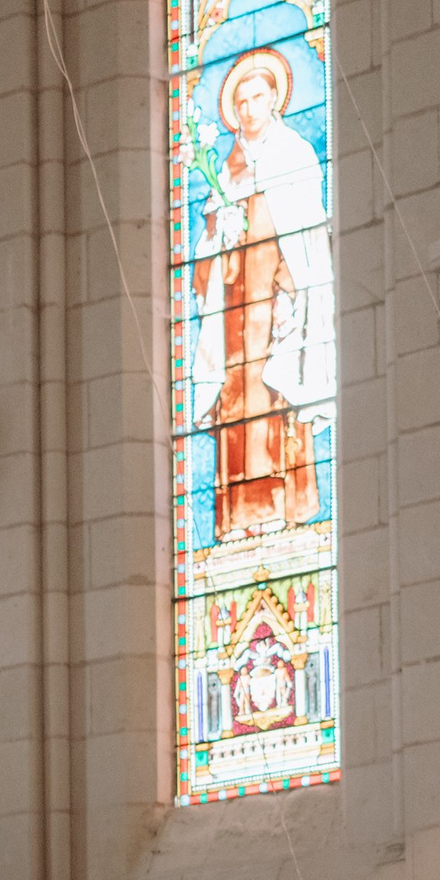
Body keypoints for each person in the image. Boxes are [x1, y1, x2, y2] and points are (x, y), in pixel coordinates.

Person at [189, 42, 333, 542]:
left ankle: (282, 508)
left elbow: (308, 233)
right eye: (241, 102)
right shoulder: (223, 170)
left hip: (275, 302)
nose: (249, 109)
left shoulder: (294, 154)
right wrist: (219, 234)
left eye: (257, 97)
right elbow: (204, 260)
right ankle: (235, 518)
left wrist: (292, 289)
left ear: (275, 99)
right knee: (236, 400)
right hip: (233, 310)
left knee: (273, 397)